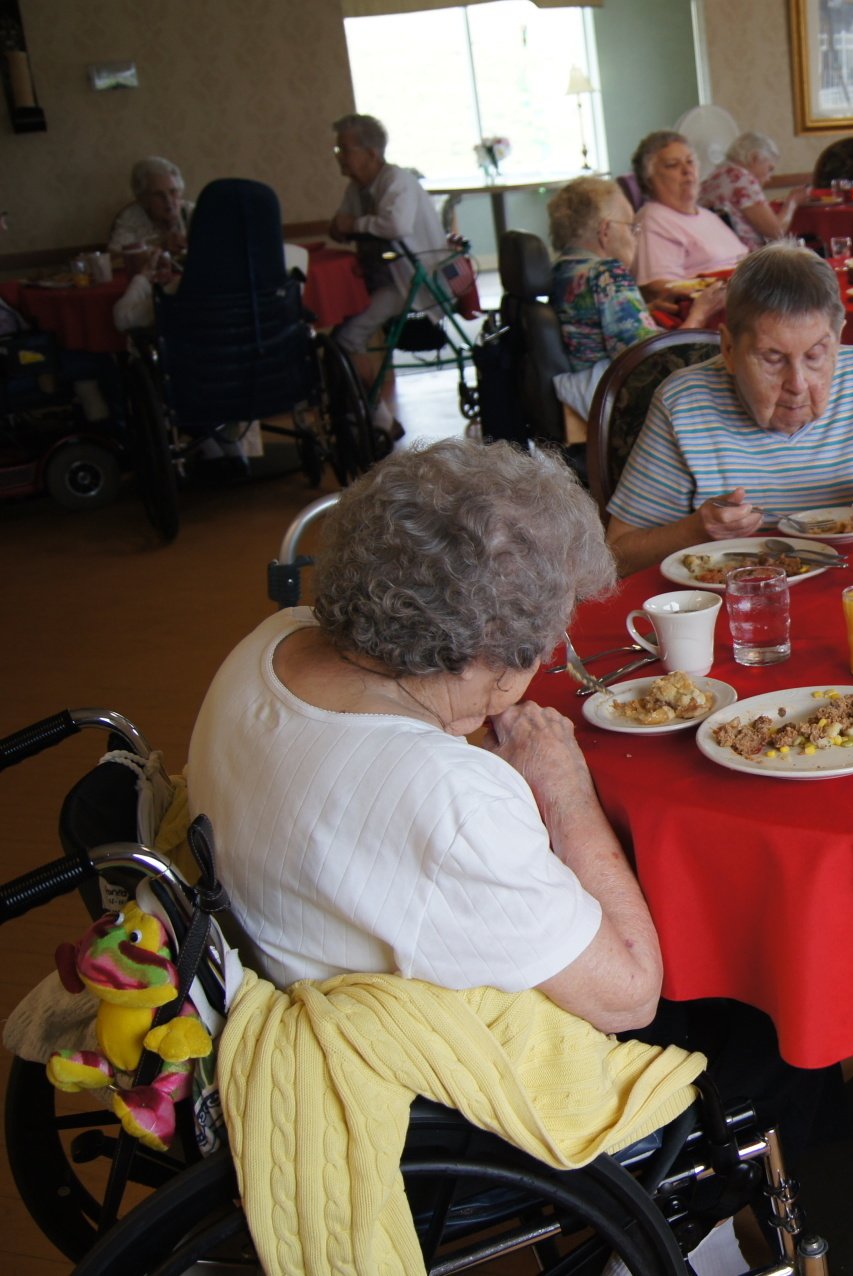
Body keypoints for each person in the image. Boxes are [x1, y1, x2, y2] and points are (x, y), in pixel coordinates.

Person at [186, 440, 661, 1033]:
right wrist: (565, 786)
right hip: (406, 1077)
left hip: (259, 949)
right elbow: (632, 996)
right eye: (547, 643)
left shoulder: (273, 638)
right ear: (491, 655)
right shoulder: (449, 798)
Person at [604, 243, 853, 576]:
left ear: (839, 339)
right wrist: (696, 530)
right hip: (744, 621)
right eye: (772, 358)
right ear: (728, 349)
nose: (797, 384)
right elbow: (617, 554)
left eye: (815, 355)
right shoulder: (684, 404)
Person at [546, 177, 725, 417]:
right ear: (605, 231)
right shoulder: (607, 273)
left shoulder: (563, 271)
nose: (635, 237)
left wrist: (645, 310)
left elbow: (592, 327)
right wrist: (700, 313)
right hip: (617, 394)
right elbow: (653, 361)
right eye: (631, 227)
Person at [327, 113, 448, 440]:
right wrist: (345, 225)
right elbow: (340, 221)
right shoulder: (358, 187)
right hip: (383, 277)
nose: (339, 157)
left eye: (344, 150)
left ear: (371, 154)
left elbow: (395, 225)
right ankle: (365, 413)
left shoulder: (397, 181)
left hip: (411, 279)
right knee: (342, 329)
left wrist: (353, 225)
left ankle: (379, 418)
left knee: (349, 336)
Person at [632, 130, 750, 288]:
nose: (687, 170)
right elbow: (661, 288)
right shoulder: (653, 220)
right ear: (649, 178)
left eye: (690, 162)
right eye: (673, 165)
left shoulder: (707, 215)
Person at [699, 131, 795, 250]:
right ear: (753, 158)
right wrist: (792, 202)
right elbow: (776, 233)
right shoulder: (741, 178)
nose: (769, 178)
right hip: (747, 257)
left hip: (718, 250)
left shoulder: (715, 175)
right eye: (769, 169)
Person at [108, 156, 194, 255]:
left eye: (173, 192)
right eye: (158, 194)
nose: (168, 200)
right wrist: (160, 247)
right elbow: (114, 255)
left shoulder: (192, 212)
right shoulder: (131, 217)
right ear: (143, 199)